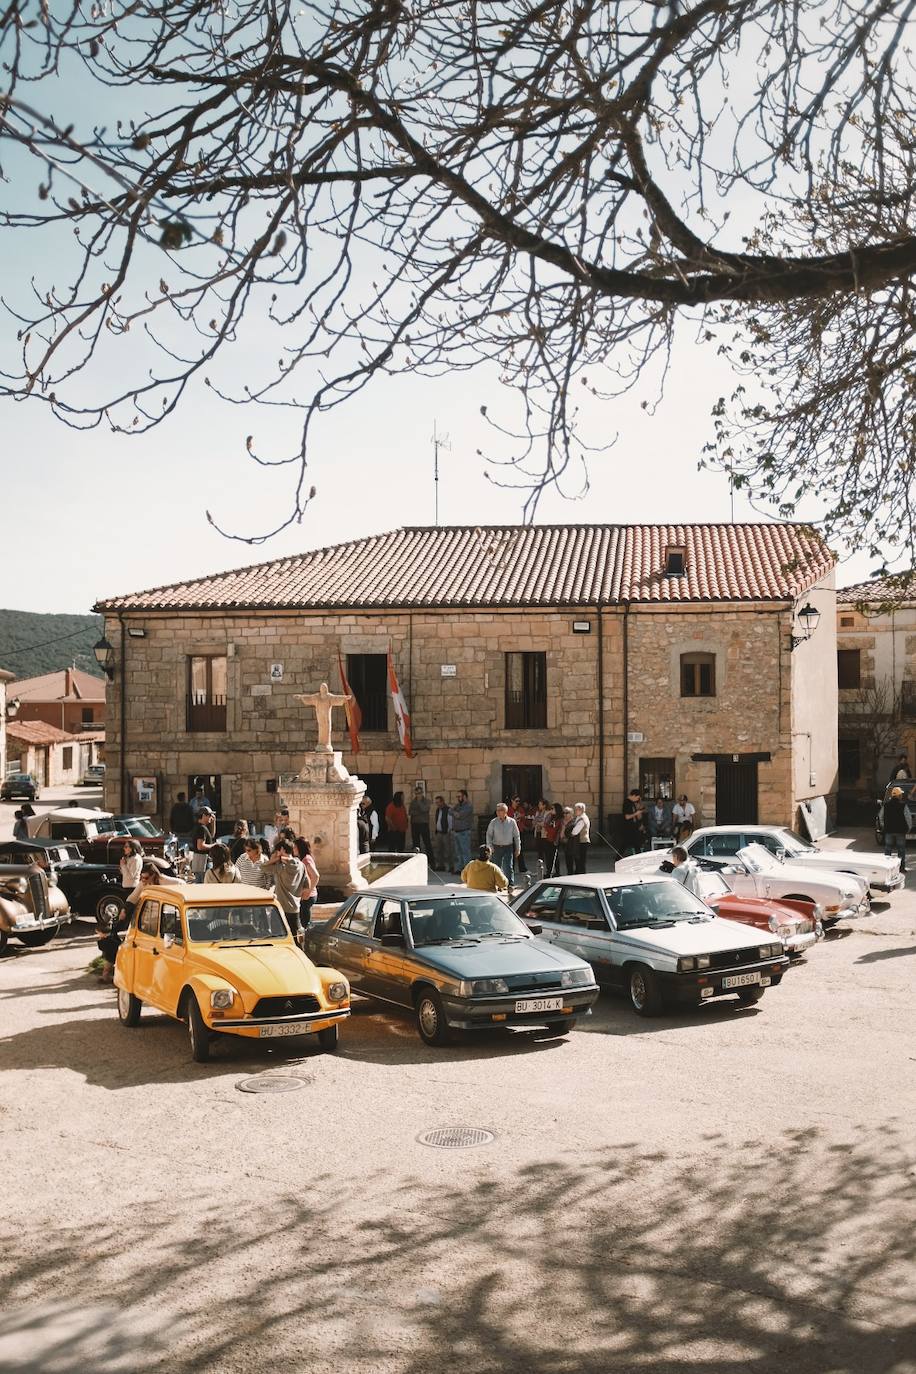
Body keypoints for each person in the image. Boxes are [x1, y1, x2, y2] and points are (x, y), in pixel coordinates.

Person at [266, 839, 305, 943]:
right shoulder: (301, 865)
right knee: (296, 940)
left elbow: (263, 867)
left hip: (281, 907)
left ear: (282, 850)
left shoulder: (280, 867)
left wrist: (275, 859)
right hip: (295, 907)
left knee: (279, 940)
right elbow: (307, 884)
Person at [486, 802, 521, 885]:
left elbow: (516, 836)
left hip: (508, 847)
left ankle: (510, 884)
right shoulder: (493, 822)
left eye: (500, 810)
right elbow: (489, 835)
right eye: (497, 810)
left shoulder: (512, 822)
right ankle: (497, 883)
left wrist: (518, 848)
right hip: (496, 847)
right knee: (496, 867)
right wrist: (490, 847)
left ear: (505, 811)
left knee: (508, 867)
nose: (498, 812)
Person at [883, 787, 911, 873]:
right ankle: (901, 868)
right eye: (901, 794)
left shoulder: (886, 805)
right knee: (901, 850)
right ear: (899, 795)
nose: (901, 795)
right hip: (900, 831)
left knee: (888, 849)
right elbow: (908, 817)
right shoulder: (903, 805)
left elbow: (881, 816)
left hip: (889, 830)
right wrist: (908, 828)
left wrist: (883, 826)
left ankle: (886, 868)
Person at [294, 836, 320, 927]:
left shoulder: (306, 860)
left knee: (304, 923)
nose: (293, 849)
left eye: (295, 847)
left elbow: (315, 876)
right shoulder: (303, 858)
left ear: (299, 848)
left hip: (308, 896)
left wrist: (308, 891)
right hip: (305, 895)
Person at [449, 789, 474, 873]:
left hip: (464, 832)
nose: (458, 798)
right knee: (458, 852)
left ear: (465, 796)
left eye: (459, 796)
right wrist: (454, 812)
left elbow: (459, 815)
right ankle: (459, 869)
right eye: (457, 797)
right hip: (456, 831)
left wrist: (454, 812)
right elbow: (450, 811)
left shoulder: (468, 806)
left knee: (465, 852)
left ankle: (467, 870)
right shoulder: (458, 806)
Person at [190, 806, 216, 883]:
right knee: (203, 884)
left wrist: (213, 822)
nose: (211, 817)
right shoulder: (201, 829)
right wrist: (214, 846)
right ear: (204, 816)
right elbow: (200, 846)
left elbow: (211, 836)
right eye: (210, 815)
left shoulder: (200, 827)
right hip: (203, 861)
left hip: (199, 860)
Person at [408, 785, 433, 861]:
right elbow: (410, 812)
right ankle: (416, 861)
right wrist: (418, 812)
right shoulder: (413, 802)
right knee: (416, 843)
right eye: (416, 793)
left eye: (419, 793)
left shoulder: (427, 801)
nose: (418, 795)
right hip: (415, 824)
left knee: (427, 843)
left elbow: (425, 809)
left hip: (424, 824)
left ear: (422, 793)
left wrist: (419, 803)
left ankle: (431, 861)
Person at [508, 797, 529, 874]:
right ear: (512, 801)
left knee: (520, 850)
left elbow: (524, 819)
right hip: (511, 833)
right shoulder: (509, 810)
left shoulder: (520, 809)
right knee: (512, 851)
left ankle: (522, 868)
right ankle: (511, 869)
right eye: (516, 801)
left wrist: (522, 816)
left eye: (519, 801)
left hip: (519, 831)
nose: (518, 803)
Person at [569, 802, 591, 874]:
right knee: (579, 860)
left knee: (580, 860)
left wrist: (570, 833)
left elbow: (575, 832)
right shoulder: (579, 817)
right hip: (580, 841)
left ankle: (580, 874)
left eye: (577, 809)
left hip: (582, 841)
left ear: (581, 810)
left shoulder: (582, 819)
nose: (575, 811)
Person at [543, 803, 564, 877]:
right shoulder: (551, 817)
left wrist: (548, 828)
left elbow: (554, 829)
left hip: (555, 840)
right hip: (548, 839)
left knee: (555, 857)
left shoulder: (560, 819)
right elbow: (545, 825)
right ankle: (548, 871)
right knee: (548, 857)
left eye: (553, 809)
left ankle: (557, 872)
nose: (551, 810)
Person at [622, 789, 646, 855]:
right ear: (634, 796)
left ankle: (638, 857)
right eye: (637, 798)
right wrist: (636, 813)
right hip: (628, 826)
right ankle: (618, 858)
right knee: (625, 844)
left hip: (633, 826)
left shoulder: (632, 803)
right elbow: (627, 816)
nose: (637, 800)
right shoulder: (627, 803)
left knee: (636, 844)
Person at [433, 794, 452, 871]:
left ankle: (451, 866)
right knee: (439, 850)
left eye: (438, 802)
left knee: (448, 850)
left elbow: (450, 821)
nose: (437, 804)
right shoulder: (438, 810)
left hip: (445, 832)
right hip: (439, 832)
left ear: (442, 802)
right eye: (436, 803)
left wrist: (448, 830)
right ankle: (441, 865)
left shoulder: (448, 809)